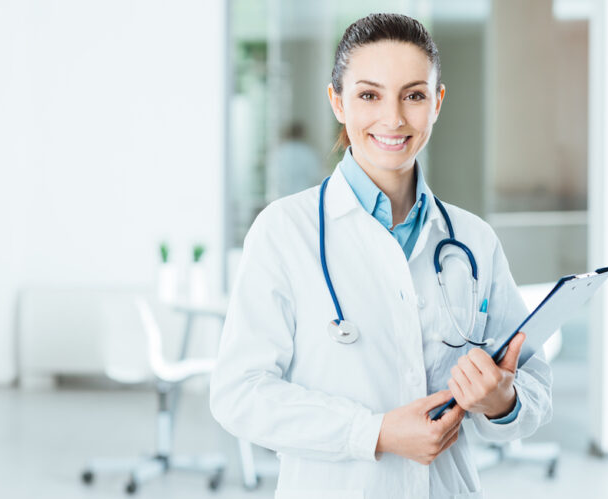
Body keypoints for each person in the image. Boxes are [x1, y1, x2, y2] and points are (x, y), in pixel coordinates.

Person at [210, 13, 552, 499]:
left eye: (413, 95)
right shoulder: (284, 232)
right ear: (338, 102)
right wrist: (374, 433)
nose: (393, 118)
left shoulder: (472, 240)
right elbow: (239, 394)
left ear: (437, 103)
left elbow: (534, 382)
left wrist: (503, 401)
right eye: (369, 95)